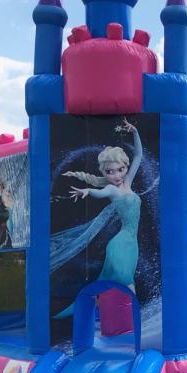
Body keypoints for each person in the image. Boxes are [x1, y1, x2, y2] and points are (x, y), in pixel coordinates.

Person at [64, 118, 143, 294]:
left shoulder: (127, 183)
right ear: (104, 173)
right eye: (110, 172)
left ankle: (105, 303)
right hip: (120, 242)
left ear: (125, 167)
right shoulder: (112, 189)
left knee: (124, 281)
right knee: (126, 281)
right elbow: (99, 192)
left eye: (120, 170)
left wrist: (135, 132)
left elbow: (138, 155)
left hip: (132, 243)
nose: (116, 175)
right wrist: (87, 191)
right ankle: (129, 309)